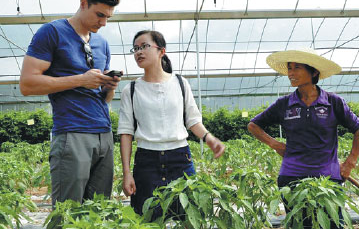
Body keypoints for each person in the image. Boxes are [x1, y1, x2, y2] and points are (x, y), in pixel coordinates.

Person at [19, 0, 120, 207]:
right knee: (68, 213)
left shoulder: (102, 43)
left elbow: (104, 99)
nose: (103, 22)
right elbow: (27, 84)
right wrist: (81, 80)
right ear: (83, 3)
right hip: (72, 133)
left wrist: (107, 88)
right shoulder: (52, 32)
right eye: (99, 15)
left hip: (104, 134)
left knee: (99, 213)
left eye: (108, 17)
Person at [118, 30, 226, 220]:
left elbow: (193, 120)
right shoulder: (132, 89)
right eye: (135, 48)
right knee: (147, 219)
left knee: (189, 218)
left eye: (144, 46)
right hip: (146, 162)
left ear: (162, 51)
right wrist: (127, 173)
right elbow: (126, 133)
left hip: (180, 159)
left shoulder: (180, 83)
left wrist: (209, 139)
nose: (138, 52)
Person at [247, 49, 359, 228]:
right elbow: (253, 125)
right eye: (289, 68)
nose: (290, 73)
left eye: (296, 68)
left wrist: (350, 163)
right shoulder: (284, 104)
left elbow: (357, 128)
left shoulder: (333, 102)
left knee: (331, 224)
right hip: (292, 177)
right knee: (298, 224)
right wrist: (275, 144)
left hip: (327, 179)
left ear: (313, 71)